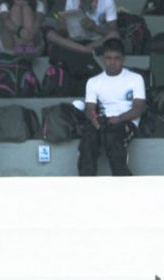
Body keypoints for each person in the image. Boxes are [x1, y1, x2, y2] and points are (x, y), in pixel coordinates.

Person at [79, 39, 145, 176]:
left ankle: (122, 184)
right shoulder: (93, 82)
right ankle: (85, 186)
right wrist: (94, 120)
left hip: (126, 121)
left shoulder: (135, 78)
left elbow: (139, 107)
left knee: (113, 138)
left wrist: (120, 118)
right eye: (108, 58)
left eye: (116, 58)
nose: (112, 62)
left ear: (123, 59)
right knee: (88, 140)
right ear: (103, 58)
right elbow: (90, 107)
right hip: (104, 120)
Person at [44, 0, 120, 56]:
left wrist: (95, 28)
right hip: (73, 40)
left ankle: (81, 50)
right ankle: (85, 50)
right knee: (51, 35)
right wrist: (62, 28)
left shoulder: (108, 2)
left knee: (114, 35)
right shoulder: (69, 1)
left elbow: (113, 30)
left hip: (95, 42)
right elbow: (63, 32)